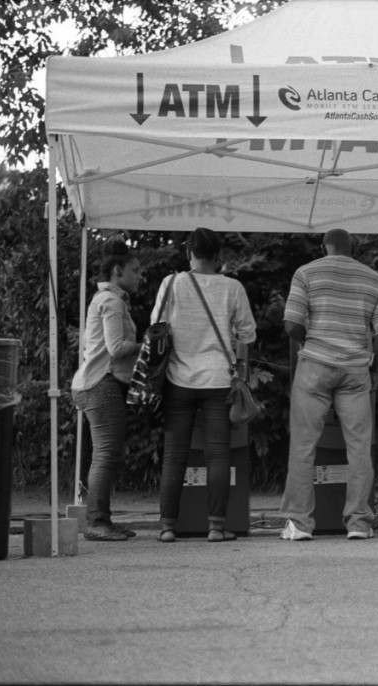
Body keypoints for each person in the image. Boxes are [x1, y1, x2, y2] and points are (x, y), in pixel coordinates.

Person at [279, 229, 378, 541]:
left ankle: (299, 524)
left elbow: (291, 323)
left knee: (303, 446)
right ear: (352, 248)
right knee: (359, 448)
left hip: (314, 366)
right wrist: (374, 366)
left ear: (323, 247)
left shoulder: (306, 273)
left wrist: (312, 343)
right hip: (356, 370)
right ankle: (359, 523)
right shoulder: (375, 279)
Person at [154, 227, 257, 543]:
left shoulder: (171, 284)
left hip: (178, 378)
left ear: (189, 253)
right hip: (217, 379)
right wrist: (239, 363)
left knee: (174, 454)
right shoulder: (232, 288)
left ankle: (168, 527)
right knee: (218, 454)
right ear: (218, 256)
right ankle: (215, 527)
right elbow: (248, 334)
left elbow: (155, 327)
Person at [71, 239, 143, 542]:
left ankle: (103, 521)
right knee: (105, 455)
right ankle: (97, 523)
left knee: (107, 455)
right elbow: (116, 348)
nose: (140, 276)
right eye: (134, 270)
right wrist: (148, 346)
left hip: (98, 383)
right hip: (102, 383)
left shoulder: (108, 299)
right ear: (117, 271)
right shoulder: (111, 302)